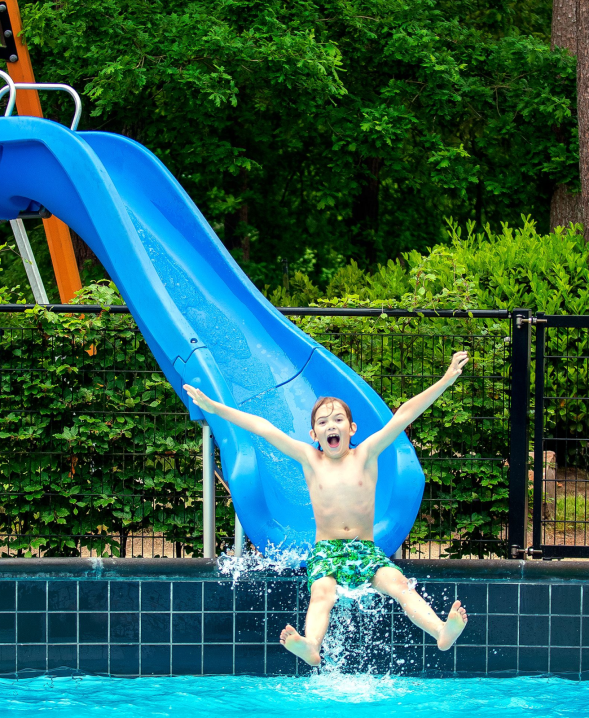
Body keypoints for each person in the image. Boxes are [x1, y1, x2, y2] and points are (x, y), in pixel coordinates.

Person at [183, 351, 469, 666]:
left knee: (400, 586)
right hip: (326, 552)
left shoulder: (367, 454)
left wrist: (446, 380)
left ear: (352, 429)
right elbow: (262, 427)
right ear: (313, 434)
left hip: (366, 551)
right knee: (322, 593)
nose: (330, 425)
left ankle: (442, 632)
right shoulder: (310, 459)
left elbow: (404, 414)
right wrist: (214, 408)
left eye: (337, 420)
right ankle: (311, 646)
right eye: (322, 422)